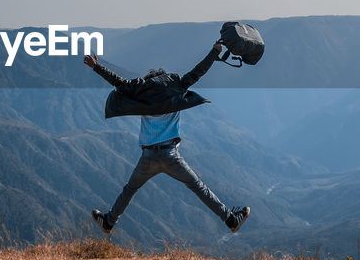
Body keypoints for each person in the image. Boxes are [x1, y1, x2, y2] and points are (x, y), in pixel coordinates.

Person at [84, 41, 250, 234]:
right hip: (170, 155)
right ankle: (231, 220)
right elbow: (198, 71)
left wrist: (97, 67)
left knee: (129, 190)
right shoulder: (176, 88)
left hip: (148, 157)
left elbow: (118, 81)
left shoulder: (141, 92)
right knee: (199, 188)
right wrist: (215, 51)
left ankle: (109, 222)